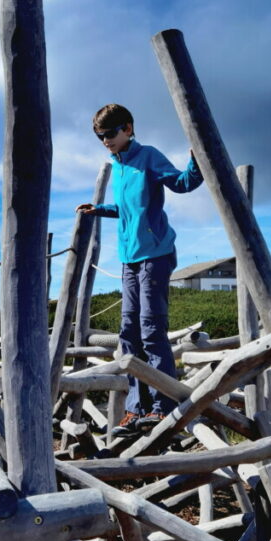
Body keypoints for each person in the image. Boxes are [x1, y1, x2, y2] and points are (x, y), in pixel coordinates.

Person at [76, 103, 203, 435]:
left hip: (156, 255)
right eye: (99, 136)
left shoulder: (148, 156)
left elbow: (182, 183)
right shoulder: (117, 167)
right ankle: (137, 409)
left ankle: (164, 407)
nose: (105, 141)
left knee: (150, 328)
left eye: (109, 134)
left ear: (128, 128)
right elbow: (125, 208)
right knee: (128, 333)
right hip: (129, 259)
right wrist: (100, 209)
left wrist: (198, 160)